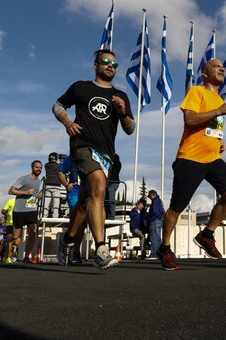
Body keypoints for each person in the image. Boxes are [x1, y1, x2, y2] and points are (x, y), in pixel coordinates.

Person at [53, 49, 135, 269]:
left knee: (84, 203)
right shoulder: (81, 87)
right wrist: (68, 123)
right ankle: (101, 248)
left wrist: (123, 111)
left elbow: (130, 129)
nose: (111, 66)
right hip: (82, 146)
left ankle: (67, 239)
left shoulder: (121, 96)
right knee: (99, 187)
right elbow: (58, 105)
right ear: (96, 65)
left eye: (114, 64)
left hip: (106, 154)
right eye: (106, 62)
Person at [157, 59, 226, 270]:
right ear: (204, 73)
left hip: (212, 158)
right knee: (176, 208)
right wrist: (219, 111)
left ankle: (206, 234)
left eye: (223, 66)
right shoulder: (197, 92)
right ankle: (164, 249)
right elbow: (191, 120)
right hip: (190, 158)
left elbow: (210, 128)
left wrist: (219, 141)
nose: (222, 68)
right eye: (216, 66)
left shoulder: (218, 98)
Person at [5, 160, 43, 264]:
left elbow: (33, 194)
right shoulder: (24, 179)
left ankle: (26, 257)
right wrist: (25, 192)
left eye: (40, 167)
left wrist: (38, 196)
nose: (38, 169)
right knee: (16, 237)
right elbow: (10, 191)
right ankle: (5, 240)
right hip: (20, 211)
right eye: (37, 167)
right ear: (32, 167)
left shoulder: (39, 181)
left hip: (32, 210)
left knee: (33, 232)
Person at [58, 154, 85, 264]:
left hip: (86, 192)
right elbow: (60, 172)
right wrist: (66, 184)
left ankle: (74, 249)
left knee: (82, 222)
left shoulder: (94, 155)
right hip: (74, 192)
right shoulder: (73, 156)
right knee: (78, 219)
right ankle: (74, 251)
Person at [146, 190, 164, 260]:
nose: (150, 199)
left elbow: (154, 211)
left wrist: (150, 217)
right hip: (159, 220)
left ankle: (154, 253)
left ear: (152, 195)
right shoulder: (159, 201)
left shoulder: (155, 201)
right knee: (158, 237)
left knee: (154, 237)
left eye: (150, 197)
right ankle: (160, 253)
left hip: (155, 220)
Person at [44, 152, 62, 218]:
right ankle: (55, 216)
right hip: (56, 186)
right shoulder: (59, 166)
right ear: (56, 158)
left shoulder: (46, 165)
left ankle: (44, 215)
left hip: (48, 185)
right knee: (56, 203)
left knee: (46, 203)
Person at [106, 154, 121, 219]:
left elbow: (118, 163)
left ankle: (112, 215)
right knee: (106, 199)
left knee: (110, 198)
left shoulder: (116, 164)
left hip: (113, 182)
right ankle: (107, 214)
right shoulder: (107, 165)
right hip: (107, 183)